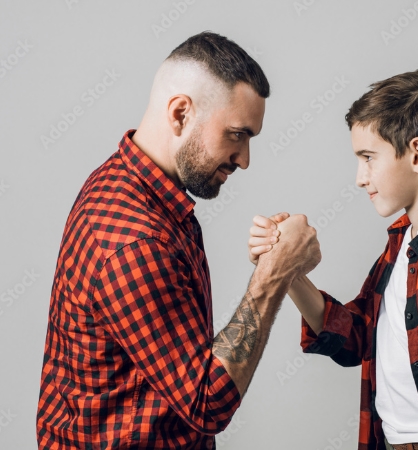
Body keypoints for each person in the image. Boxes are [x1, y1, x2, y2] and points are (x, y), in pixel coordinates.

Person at [36, 31, 321, 449]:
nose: (244, 160)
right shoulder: (136, 242)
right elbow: (207, 402)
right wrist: (275, 274)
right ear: (181, 114)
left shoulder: (129, 184)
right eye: (236, 134)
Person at [249, 68, 418, 450]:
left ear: (417, 154)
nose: (360, 178)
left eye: (368, 157)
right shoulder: (404, 244)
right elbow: (355, 338)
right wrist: (288, 271)